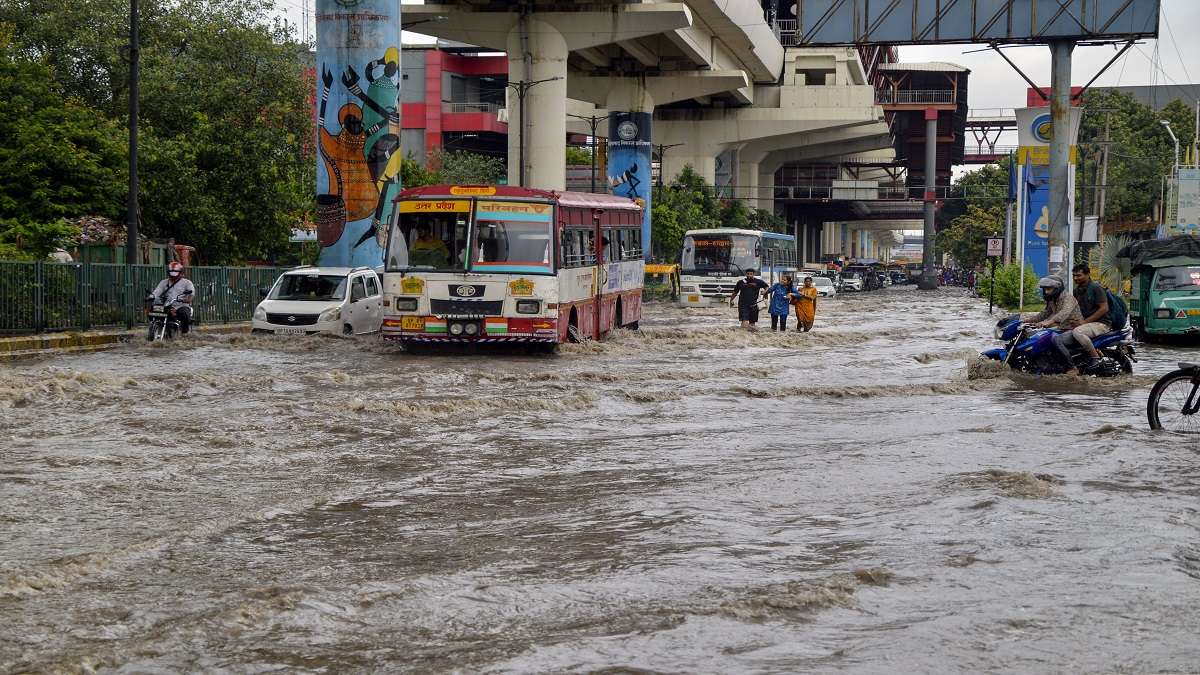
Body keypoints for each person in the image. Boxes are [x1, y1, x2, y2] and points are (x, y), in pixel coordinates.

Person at [1023, 275, 1085, 375]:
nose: (1046, 292)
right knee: (1039, 337)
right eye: (1044, 289)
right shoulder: (1052, 299)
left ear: (1057, 288)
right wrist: (1027, 321)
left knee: (1055, 339)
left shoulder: (1068, 298)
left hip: (1074, 329)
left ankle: (1072, 367)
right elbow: (1045, 313)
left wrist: (1048, 322)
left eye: (1048, 289)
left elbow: (1064, 313)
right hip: (1062, 328)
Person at [1066, 262, 1111, 370]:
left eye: (1079, 275)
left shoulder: (1096, 288)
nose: (1076, 278)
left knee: (1078, 332)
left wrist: (1084, 322)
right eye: (1074, 276)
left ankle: (1095, 357)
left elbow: (1104, 308)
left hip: (1102, 324)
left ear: (1087, 274)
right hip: (1088, 323)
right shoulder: (1077, 291)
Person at [148, 261, 196, 334]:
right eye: (171, 274)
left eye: (175, 274)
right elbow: (157, 291)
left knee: (184, 314)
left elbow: (191, 294)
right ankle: (154, 326)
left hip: (181, 305)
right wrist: (151, 297)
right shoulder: (164, 282)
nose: (173, 276)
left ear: (180, 273)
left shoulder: (187, 283)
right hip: (167, 305)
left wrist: (187, 299)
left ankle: (184, 333)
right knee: (152, 310)